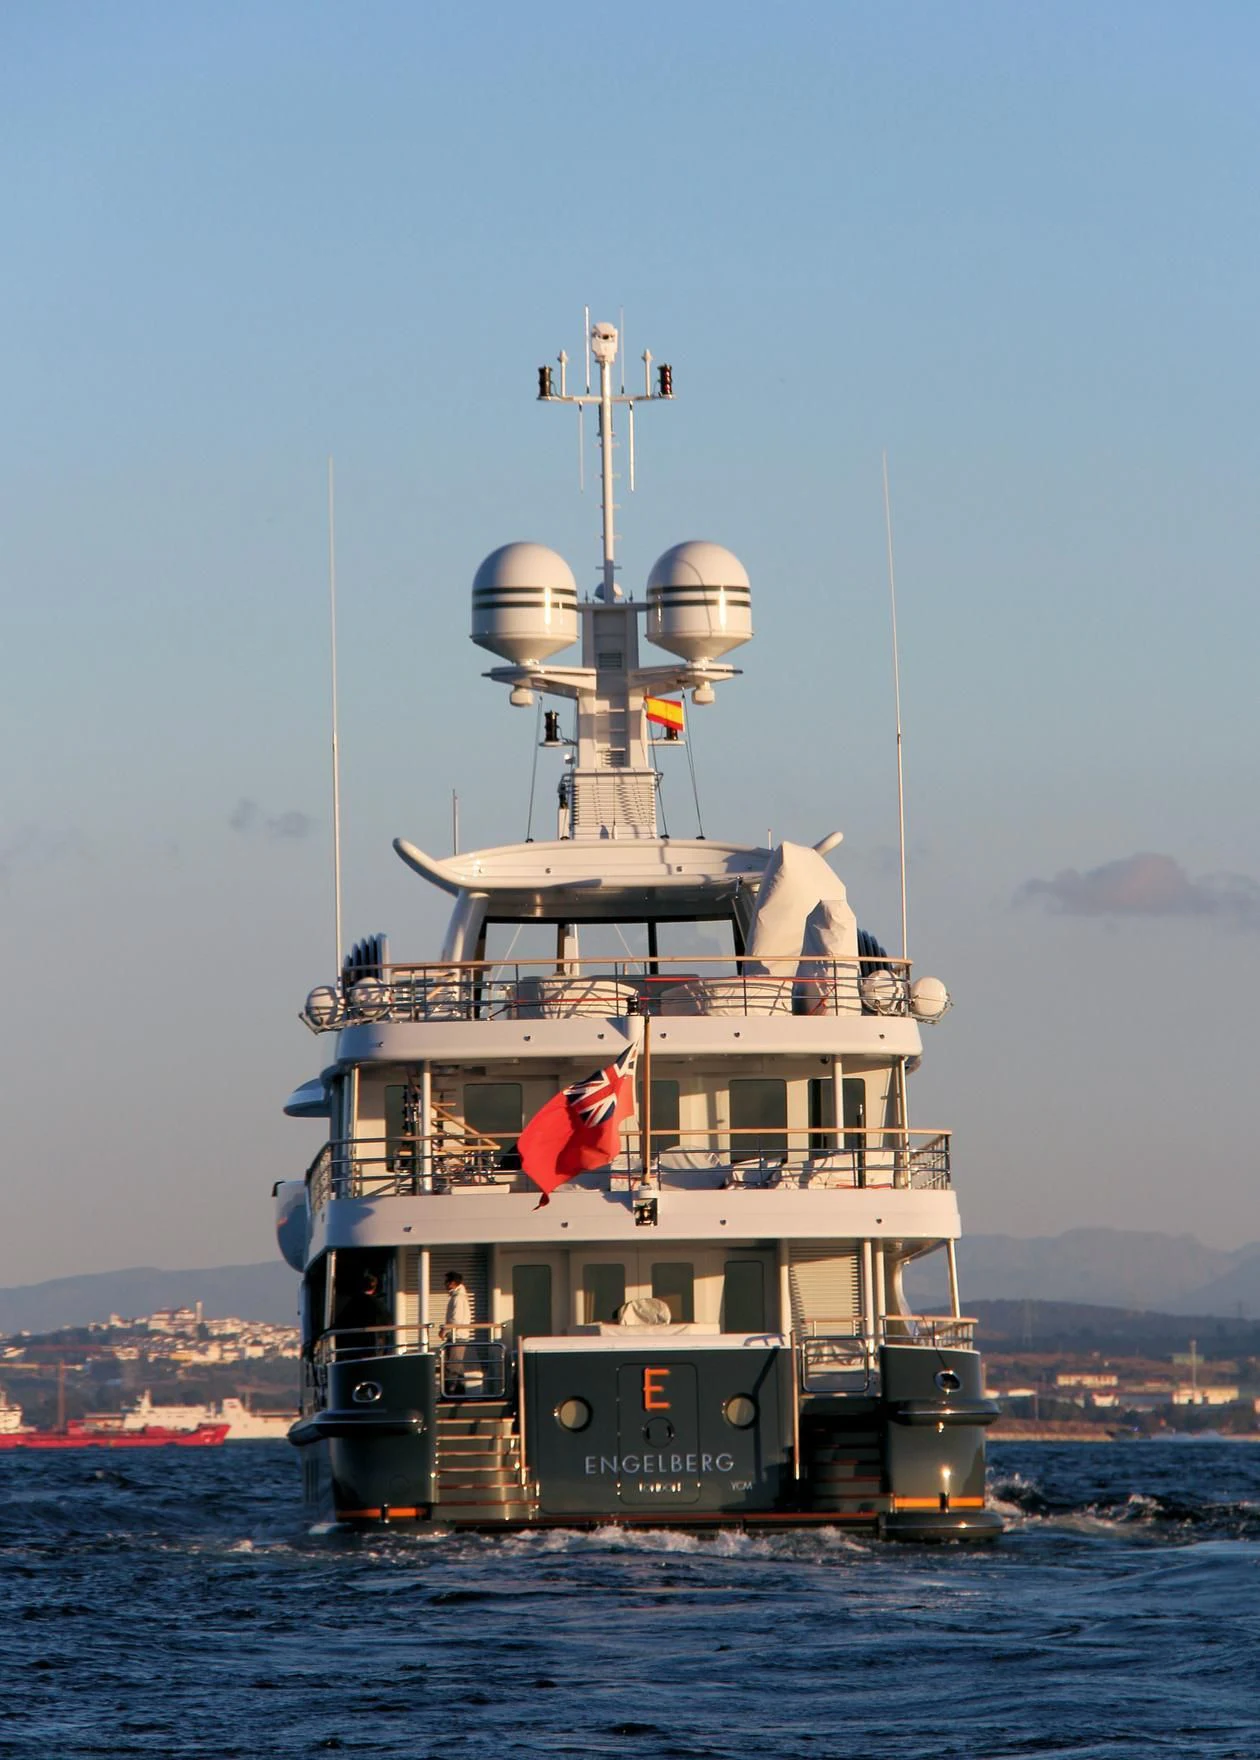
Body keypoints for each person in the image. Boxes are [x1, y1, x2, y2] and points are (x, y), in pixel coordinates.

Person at [440, 1270, 473, 1394]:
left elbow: (456, 1319)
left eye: (446, 1281)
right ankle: (460, 1392)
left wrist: (444, 1330)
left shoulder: (458, 1298)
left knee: (452, 1366)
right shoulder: (458, 1296)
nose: (445, 1284)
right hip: (459, 1335)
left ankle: (449, 1393)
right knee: (458, 1367)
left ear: (452, 1283)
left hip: (457, 1336)